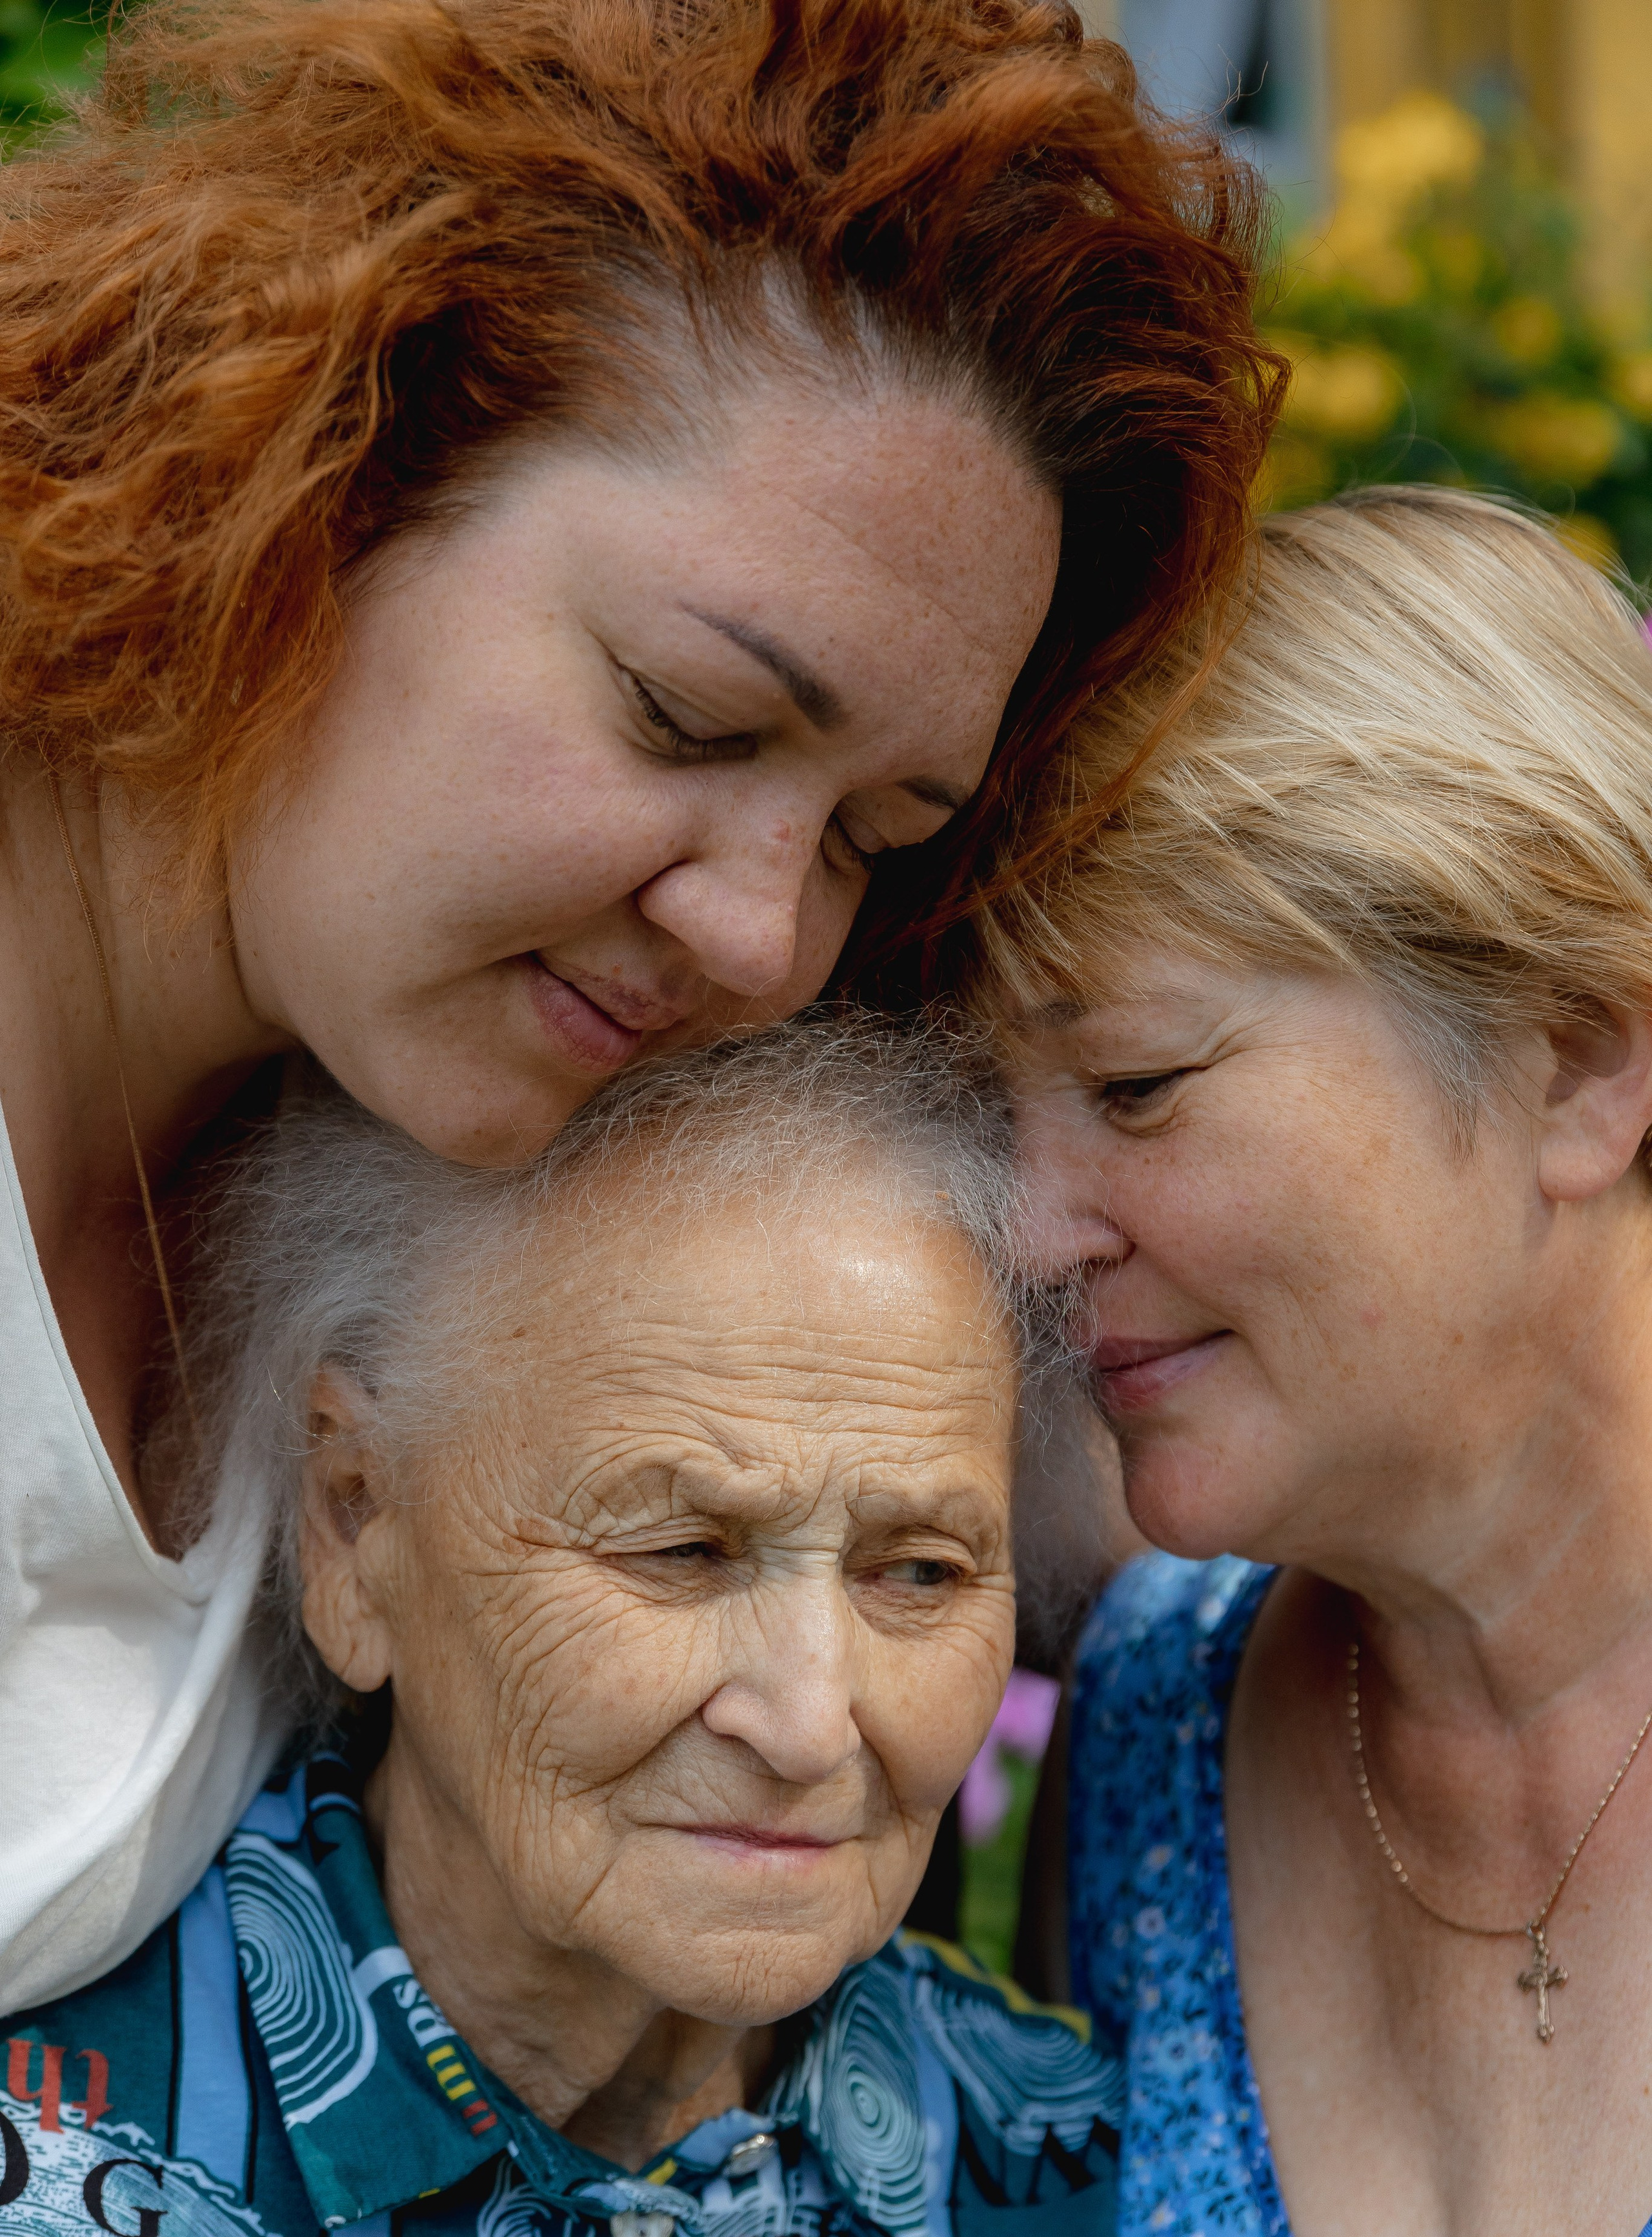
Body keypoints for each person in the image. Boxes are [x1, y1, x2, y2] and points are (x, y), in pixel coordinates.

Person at [0, 0, 1279, 2014]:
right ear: (303, 462)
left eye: (876, 831)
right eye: (685, 716)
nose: (764, 942)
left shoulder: (430, 1136)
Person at [0, 1017, 1120, 2237]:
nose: (806, 1722)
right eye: (679, 1549)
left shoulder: (1080, 2191)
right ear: (353, 1524)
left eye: (917, 1572)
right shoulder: (46, 2167)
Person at [992, 488, 1652, 2237]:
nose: (1028, 1233)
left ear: (1576, 1058)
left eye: (1132, 1088)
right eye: (992, 1117)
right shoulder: (1152, 1725)